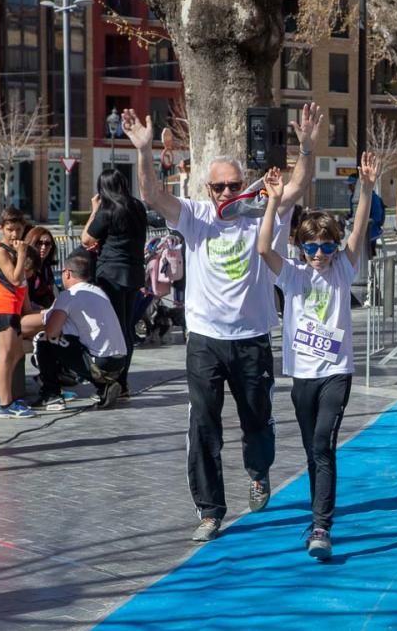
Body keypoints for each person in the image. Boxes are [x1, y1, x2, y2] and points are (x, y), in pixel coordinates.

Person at [121, 103, 323, 542]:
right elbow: (153, 194)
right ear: (207, 188)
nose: (227, 192)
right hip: (205, 342)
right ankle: (211, 511)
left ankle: (258, 471)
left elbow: (299, 185)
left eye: (234, 184)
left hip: (251, 340)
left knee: (257, 421)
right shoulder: (194, 216)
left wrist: (305, 147)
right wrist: (144, 149)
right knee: (203, 425)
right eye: (219, 186)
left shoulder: (261, 215)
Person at [257, 154, 375, 561]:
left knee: (323, 445)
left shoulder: (343, 269)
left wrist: (368, 188)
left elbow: (359, 231)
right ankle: (316, 515)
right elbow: (261, 247)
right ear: (300, 246)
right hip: (301, 374)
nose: (321, 254)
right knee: (313, 451)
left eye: (327, 246)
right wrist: (274, 200)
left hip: (336, 373)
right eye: (312, 246)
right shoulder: (293, 274)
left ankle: (322, 525)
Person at [23, 253, 128, 411]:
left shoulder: (70, 295)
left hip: (99, 363)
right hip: (119, 362)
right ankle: (103, 386)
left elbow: (51, 331)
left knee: (43, 341)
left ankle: (51, 395)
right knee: (72, 341)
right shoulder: (98, 292)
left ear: (67, 273)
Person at [82, 170, 148, 396]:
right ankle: (124, 381)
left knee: (113, 329)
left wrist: (94, 210)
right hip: (134, 274)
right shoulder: (138, 207)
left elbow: (86, 239)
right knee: (126, 329)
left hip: (110, 274)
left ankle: (113, 381)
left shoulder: (107, 210)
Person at [0, 207, 35, 417]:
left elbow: (22, 285)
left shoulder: (13, 250)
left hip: (12, 309)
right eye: (10, 229)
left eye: (18, 229)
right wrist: (22, 255)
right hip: (2, 309)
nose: (14, 234)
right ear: (1, 228)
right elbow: (15, 278)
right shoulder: (1, 251)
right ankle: (5, 404)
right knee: (5, 356)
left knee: (16, 354)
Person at [24, 226, 58, 309]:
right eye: (39, 243)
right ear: (32, 243)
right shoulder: (26, 267)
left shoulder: (46, 267)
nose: (43, 247)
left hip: (46, 310)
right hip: (29, 312)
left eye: (47, 244)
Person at [368, 190, 386, 257]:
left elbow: (377, 217)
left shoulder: (373, 198)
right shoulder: (374, 197)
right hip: (372, 231)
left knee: (370, 254)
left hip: (372, 231)